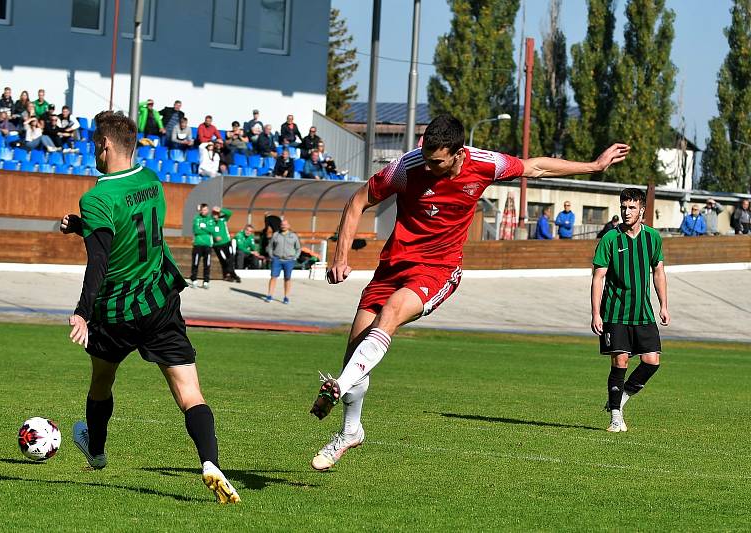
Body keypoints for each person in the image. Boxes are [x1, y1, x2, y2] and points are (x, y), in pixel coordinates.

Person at [307, 114, 630, 471]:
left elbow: (535, 167)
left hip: (438, 269)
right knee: (354, 355)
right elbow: (357, 201)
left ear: (458, 153)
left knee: (392, 313)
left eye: (437, 160)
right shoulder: (407, 167)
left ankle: (337, 386)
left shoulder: (485, 164)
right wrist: (340, 256)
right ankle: (350, 431)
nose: (428, 165)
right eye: (425, 156)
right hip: (392, 267)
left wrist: (594, 166)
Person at [58, 111, 239, 504]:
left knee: (102, 381)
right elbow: (133, 227)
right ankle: (210, 463)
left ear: (104, 145)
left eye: (94, 144)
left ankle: (98, 450)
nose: (94, 150)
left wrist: (81, 312)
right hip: (158, 302)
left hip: (115, 312)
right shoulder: (153, 181)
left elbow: (100, 262)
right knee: (190, 393)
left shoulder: (97, 197)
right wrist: (82, 225)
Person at [591, 187, 669, 433]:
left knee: (652, 361)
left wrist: (664, 305)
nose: (626, 211)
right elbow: (598, 277)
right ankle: (615, 417)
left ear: (642, 210)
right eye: (623, 207)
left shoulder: (652, 238)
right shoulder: (610, 239)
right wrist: (595, 313)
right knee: (620, 361)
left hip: (643, 312)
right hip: (615, 312)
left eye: (632, 207)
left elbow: (658, 271)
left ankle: (621, 398)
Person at [266, 219, 300, 303]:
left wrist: (295, 257)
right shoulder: (276, 235)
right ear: (280, 226)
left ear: (289, 226)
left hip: (289, 260)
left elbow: (298, 248)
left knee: (287, 278)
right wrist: (272, 256)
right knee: (273, 277)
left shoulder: (293, 236)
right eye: (282, 224)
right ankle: (269, 295)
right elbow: (270, 247)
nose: (283, 226)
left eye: (285, 224)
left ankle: (286, 297)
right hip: (277, 260)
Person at [211, 206, 240, 283]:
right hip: (218, 245)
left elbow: (230, 213)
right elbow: (208, 231)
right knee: (224, 260)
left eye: (217, 214)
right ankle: (231, 275)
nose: (215, 216)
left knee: (231, 258)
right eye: (214, 214)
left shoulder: (223, 219)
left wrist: (220, 209)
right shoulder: (210, 222)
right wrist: (215, 237)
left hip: (227, 243)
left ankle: (230, 274)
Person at [189, 204, 214, 289]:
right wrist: (206, 229)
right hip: (198, 244)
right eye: (203, 210)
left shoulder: (210, 219)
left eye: (206, 209)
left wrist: (203, 227)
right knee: (195, 263)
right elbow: (196, 230)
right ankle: (194, 280)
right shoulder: (197, 218)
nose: (205, 211)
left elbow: (212, 230)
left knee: (207, 264)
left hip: (208, 245)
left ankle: (206, 282)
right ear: (200, 210)